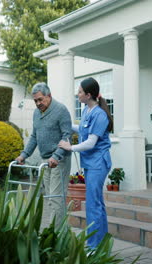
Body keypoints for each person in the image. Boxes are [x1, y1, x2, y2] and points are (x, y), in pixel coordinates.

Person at [58, 77, 113, 248]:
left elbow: (91, 142)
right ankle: (101, 243)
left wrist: (70, 147)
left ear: (88, 95)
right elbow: (82, 129)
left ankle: (93, 246)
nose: (78, 94)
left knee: (92, 204)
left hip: (98, 163)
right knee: (97, 203)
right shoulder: (87, 111)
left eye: (80, 91)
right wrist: (65, 124)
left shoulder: (100, 114)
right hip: (91, 163)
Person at [15, 82, 72, 227]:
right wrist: (24, 155)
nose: (38, 103)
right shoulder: (36, 113)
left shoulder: (61, 110)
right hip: (45, 160)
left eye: (40, 99)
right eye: (35, 101)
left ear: (49, 96)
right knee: (49, 197)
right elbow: (34, 136)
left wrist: (56, 156)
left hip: (59, 160)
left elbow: (67, 136)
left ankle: (56, 235)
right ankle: (56, 232)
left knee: (56, 198)